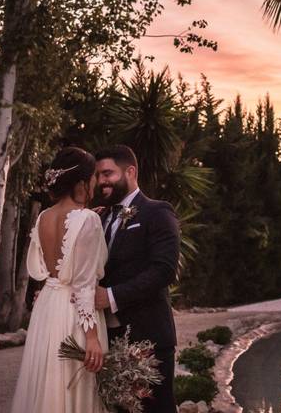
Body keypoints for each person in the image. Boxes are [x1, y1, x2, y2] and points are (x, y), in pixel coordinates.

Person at [11, 147, 108, 413]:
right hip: (73, 314)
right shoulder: (87, 219)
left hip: (48, 308)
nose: (96, 184)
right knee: (73, 383)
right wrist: (91, 338)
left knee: (46, 382)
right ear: (81, 183)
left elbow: (47, 269)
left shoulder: (44, 216)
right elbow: (84, 284)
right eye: (93, 178)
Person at [94, 145, 180, 413]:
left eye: (108, 173)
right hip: (109, 337)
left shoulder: (157, 212)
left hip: (148, 336)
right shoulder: (100, 217)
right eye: (98, 175)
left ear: (130, 172)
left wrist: (110, 296)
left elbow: (164, 270)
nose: (101, 181)